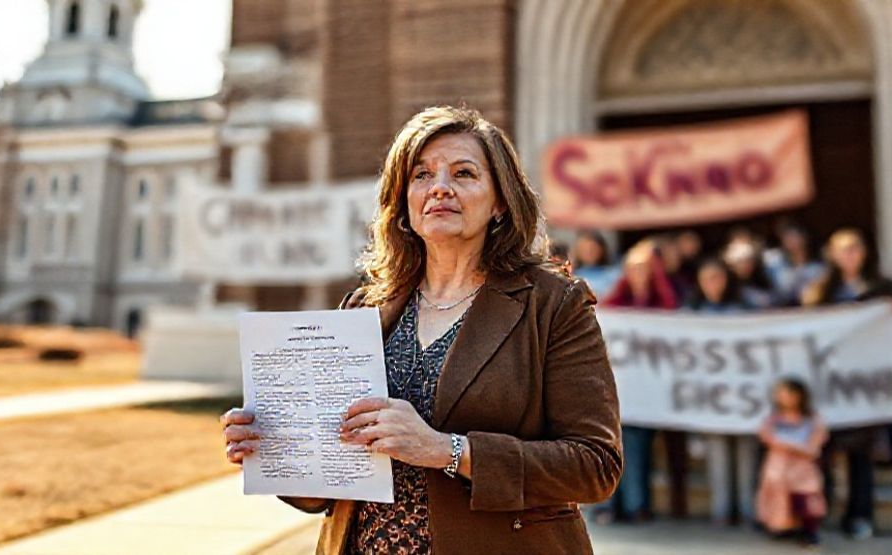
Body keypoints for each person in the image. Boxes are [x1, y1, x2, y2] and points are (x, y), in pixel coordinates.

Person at [220, 106, 622, 555]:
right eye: (421, 175)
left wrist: (447, 450)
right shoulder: (364, 307)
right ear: (404, 202)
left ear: (501, 201)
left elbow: (595, 465)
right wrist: (276, 450)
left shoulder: (553, 304)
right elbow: (325, 492)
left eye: (464, 173)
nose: (440, 188)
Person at [802, 228, 892, 540]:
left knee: (861, 455)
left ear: (864, 252)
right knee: (823, 450)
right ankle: (820, 512)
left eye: (855, 248)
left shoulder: (882, 287)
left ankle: (859, 515)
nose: (850, 254)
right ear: (833, 255)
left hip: (864, 385)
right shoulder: (821, 290)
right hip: (830, 384)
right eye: (843, 249)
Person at [599, 240, 688, 522]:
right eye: (633, 270)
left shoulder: (660, 297)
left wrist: (657, 274)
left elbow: (671, 309)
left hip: (650, 393)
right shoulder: (621, 298)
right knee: (617, 446)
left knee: (638, 448)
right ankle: (616, 505)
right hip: (622, 391)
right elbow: (603, 312)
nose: (638, 275)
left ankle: (637, 504)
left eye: (644, 270)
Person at [683, 259, 756, 527]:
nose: (713, 283)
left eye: (717, 277)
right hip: (711, 399)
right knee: (717, 458)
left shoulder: (747, 309)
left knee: (747, 457)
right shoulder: (689, 312)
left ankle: (748, 512)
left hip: (745, 398)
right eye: (707, 278)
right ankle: (722, 512)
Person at [756, 378, 828, 547]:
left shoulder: (813, 419)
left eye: (786, 394)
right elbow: (766, 436)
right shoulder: (773, 419)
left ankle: (809, 531)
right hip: (778, 468)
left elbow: (814, 446)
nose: (782, 398)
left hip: (803, 469)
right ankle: (782, 527)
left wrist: (789, 446)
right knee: (779, 500)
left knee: (805, 500)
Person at [763, 222, 825, 306]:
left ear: (804, 238)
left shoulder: (817, 268)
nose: (791, 241)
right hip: (779, 309)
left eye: (795, 236)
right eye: (787, 237)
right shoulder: (775, 263)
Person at [724, 239, 777, 309]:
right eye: (740, 262)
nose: (745, 266)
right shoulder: (727, 286)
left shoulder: (762, 279)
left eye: (748, 261)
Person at [571, 230, 621, 298]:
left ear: (601, 249)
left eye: (592, 249)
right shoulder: (571, 275)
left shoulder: (614, 274)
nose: (588, 252)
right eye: (584, 249)